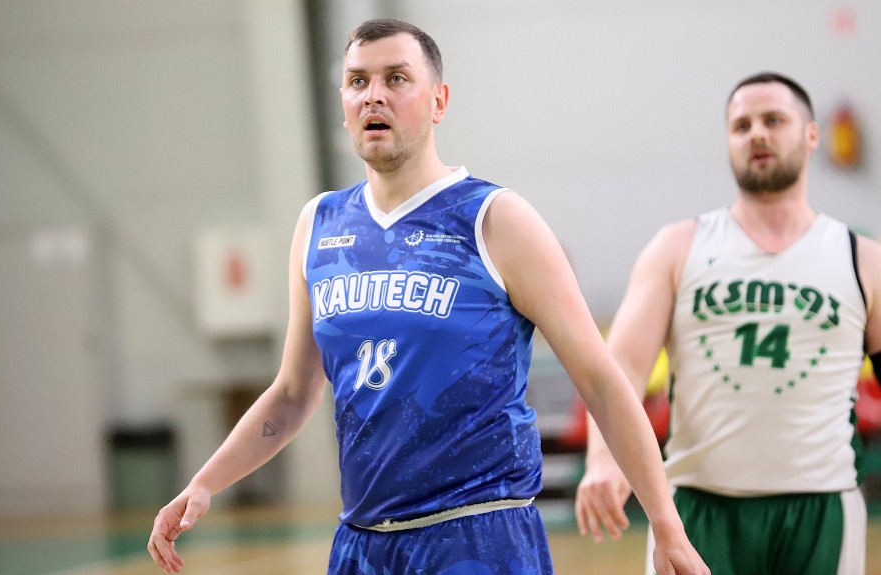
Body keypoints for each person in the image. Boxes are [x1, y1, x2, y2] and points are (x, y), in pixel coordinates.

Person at [148, 18, 707, 575]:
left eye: (396, 78)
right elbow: (293, 393)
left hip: (479, 536)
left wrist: (666, 524)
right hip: (363, 544)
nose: (374, 95)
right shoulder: (319, 223)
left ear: (439, 101)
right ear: (342, 103)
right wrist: (205, 483)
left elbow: (601, 380)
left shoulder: (495, 219)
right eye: (358, 81)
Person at [575, 71, 881, 575]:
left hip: (822, 506)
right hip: (696, 506)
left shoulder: (861, 258)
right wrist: (604, 458)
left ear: (811, 134)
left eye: (773, 120)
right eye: (741, 125)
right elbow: (621, 367)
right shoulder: (678, 246)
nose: (756, 133)